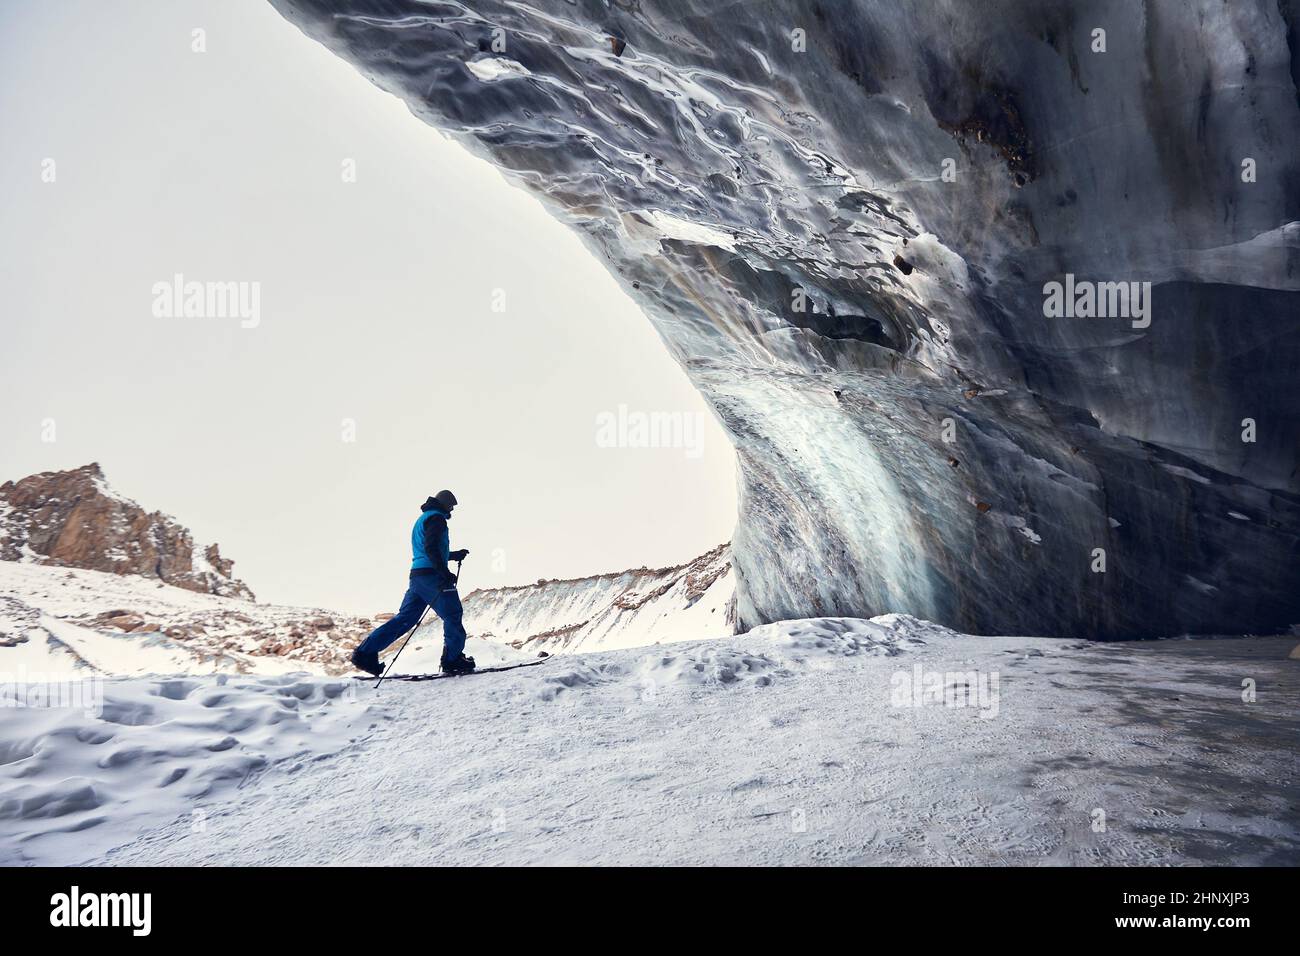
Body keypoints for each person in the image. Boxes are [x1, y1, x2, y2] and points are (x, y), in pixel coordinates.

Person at [350, 489, 473, 676]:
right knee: (452, 613)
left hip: (418, 576)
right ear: (445, 504)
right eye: (452, 506)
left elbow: (428, 549)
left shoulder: (423, 519)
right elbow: (431, 548)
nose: (452, 510)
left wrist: (453, 555)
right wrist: (444, 572)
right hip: (432, 576)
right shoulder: (437, 519)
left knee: (405, 618)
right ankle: (452, 660)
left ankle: (365, 653)